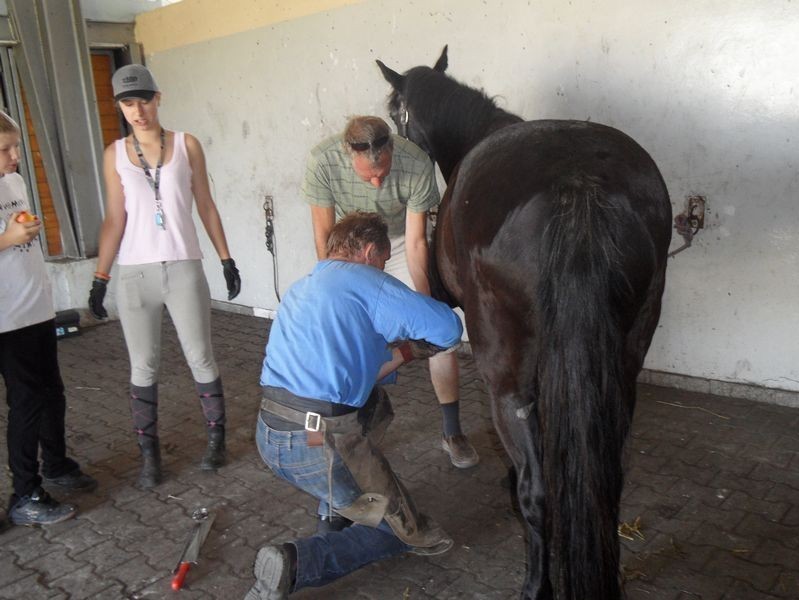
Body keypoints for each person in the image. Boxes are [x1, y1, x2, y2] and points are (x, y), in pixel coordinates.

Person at [247, 212, 462, 599]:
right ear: (367, 252)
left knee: (374, 404)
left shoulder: (302, 287)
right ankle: (296, 562)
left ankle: (334, 505)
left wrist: (404, 352)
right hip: (319, 443)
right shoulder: (367, 281)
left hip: (274, 434)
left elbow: (356, 370)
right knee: (398, 531)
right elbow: (447, 329)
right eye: (381, 262)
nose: (381, 270)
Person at [88, 64, 241, 488]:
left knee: (201, 356)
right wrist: (101, 276)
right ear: (120, 106)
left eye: (143, 99)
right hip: (135, 274)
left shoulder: (186, 145)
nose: (137, 110)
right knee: (144, 366)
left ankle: (217, 442)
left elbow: (206, 204)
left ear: (159, 98)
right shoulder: (114, 153)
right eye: (127, 102)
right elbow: (115, 217)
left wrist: (226, 258)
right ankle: (149, 458)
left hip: (183, 267)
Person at [301, 116, 479, 469]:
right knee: (347, 336)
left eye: (383, 170)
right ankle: (351, 419)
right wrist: (335, 286)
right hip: (348, 248)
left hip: (396, 243)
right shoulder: (322, 162)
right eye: (369, 175)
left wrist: (424, 306)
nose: (378, 181)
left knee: (437, 334)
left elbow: (415, 242)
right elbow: (324, 237)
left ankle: (452, 430)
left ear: (392, 149)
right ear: (347, 153)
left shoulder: (415, 162)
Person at [0, 110, 97, 527]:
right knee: (25, 403)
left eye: (16, 146)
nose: (15, 156)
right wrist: (9, 237)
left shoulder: (14, 182)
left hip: (36, 307)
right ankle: (25, 493)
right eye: (5, 149)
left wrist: (25, 230)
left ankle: (56, 464)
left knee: (52, 393)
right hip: (7, 319)